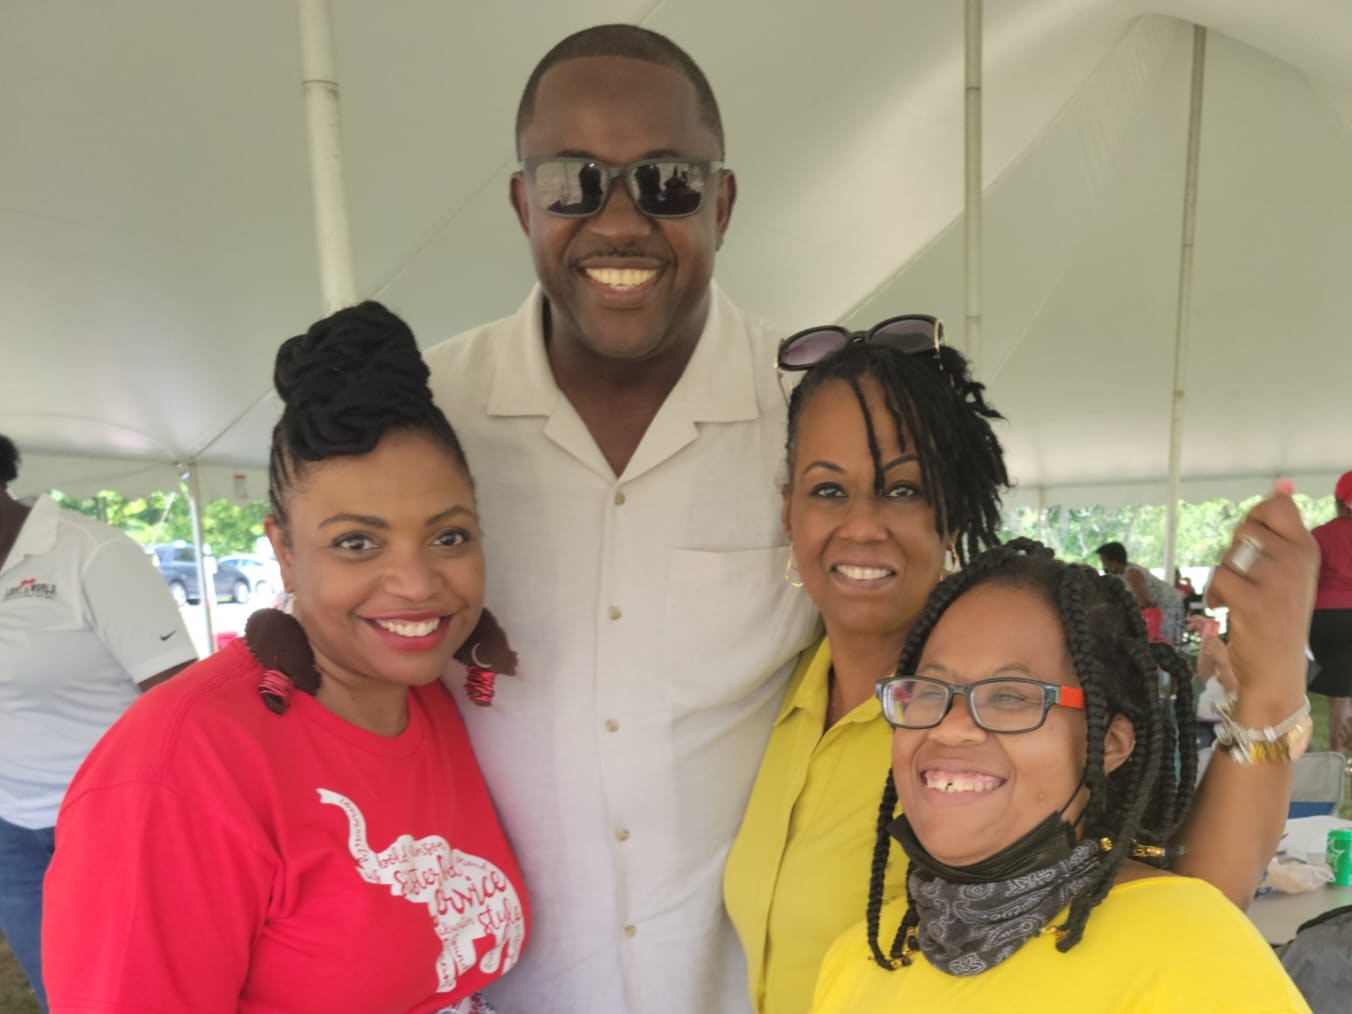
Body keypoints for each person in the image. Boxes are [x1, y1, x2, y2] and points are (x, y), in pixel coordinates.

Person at [722, 335, 1319, 1014]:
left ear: (953, 515)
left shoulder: (1024, 699)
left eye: (903, 489)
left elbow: (1180, 915)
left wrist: (1271, 686)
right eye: (828, 490)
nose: (862, 523)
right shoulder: (767, 691)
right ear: (788, 512)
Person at [425, 25, 818, 1014]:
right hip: (512, 991)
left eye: (665, 182)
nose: (616, 220)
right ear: (521, 201)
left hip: (746, 989)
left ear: (720, 204)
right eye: (572, 180)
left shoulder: (814, 410)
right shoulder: (429, 413)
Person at [43, 303, 528, 1013]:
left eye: (449, 537)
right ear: (283, 552)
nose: (419, 583)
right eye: (357, 542)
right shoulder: (176, 773)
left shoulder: (432, 702)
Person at [810, 541, 1310, 1013]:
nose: (952, 726)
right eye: (927, 691)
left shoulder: (1192, 951)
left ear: (1108, 744)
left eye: (1009, 696)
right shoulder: (860, 955)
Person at [0, 434, 195, 1013]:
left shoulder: (92, 553)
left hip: (111, 827)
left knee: (140, 993)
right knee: (60, 995)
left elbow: (182, 703)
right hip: (12, 831)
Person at [1309, 470, 1352, 751]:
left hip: (1321, 616)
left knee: (1300, 693)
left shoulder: (1318, 535)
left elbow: (1304, 577)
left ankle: (1307, 755)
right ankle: (1336, 762)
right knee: (1344, 698)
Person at [1095, 540, 1186, 643]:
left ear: (1114, 561)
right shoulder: (1122, 574)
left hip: (1167, 606)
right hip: (1161, 606)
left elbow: (1144, 600)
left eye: (1104, 561)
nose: (1103, 565)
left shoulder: (1132, 573)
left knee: (1165, 643)